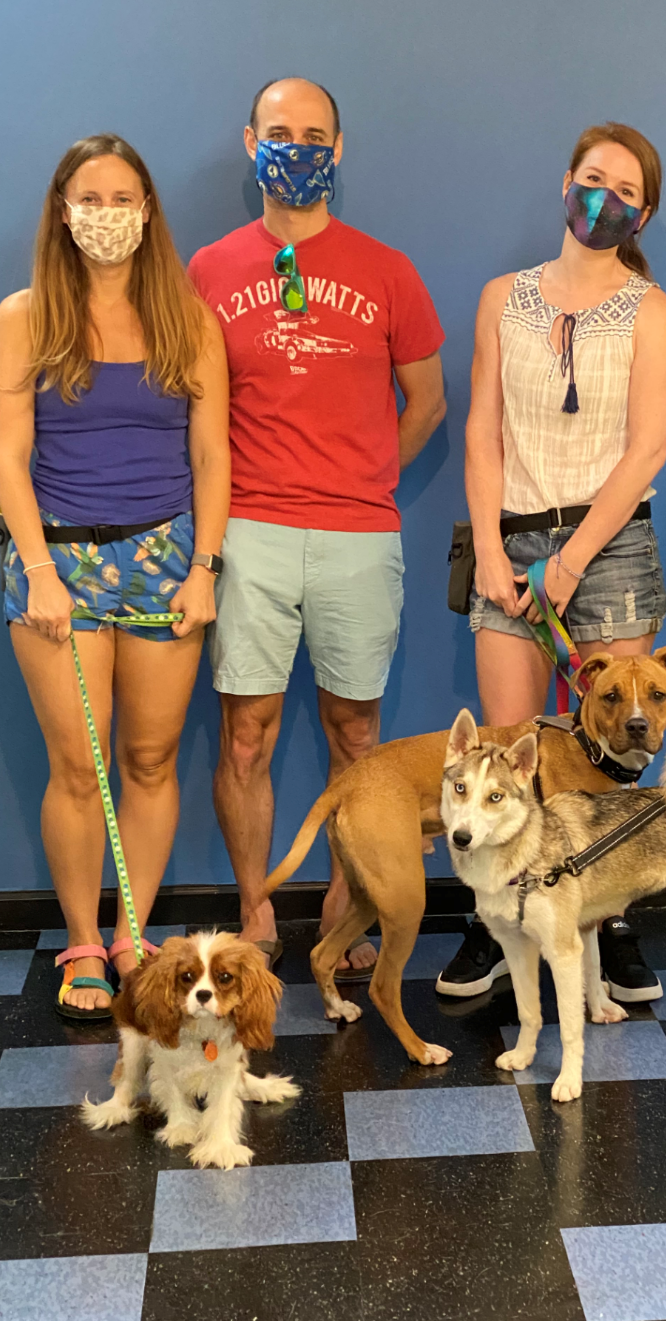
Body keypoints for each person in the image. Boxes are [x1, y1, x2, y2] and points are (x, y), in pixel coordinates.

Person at [188, 78, 446, 971]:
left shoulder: (387, 269)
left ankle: (349, 893)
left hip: (359, 535)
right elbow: (196, 413)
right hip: (250, 529)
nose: (295, 147)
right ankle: (254, 906)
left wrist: (368, 473)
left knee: (358, 734)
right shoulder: (209, 271)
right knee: (246, 730)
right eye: (278, 132)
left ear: (339, 148)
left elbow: (428, 400)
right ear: (250, 140)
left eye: (313, 134)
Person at [436, 122, 666, 1003]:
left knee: (614, 749)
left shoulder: (652, 311)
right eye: (591, 178)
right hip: (512, 543)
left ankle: (607, 918)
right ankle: (494, 922)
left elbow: (648, 448)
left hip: (609, 550)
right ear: (564, 181)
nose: (602, 199)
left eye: (624, 190)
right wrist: (494, 546)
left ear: (643, 212)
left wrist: (570, 563)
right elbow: (482, 430)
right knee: (507, 749)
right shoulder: (504, 297)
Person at [0, 134, 230, 1020]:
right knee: (76, 765)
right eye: (88, 197)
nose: (106, 214)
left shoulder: (186, 316)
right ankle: (84, 942)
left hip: (167, 561)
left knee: (148, 755)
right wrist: (37, 570)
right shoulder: (25, 316)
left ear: (148, 211)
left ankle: (134, 934)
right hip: (55, 561)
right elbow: (10, 455)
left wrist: (204, 567)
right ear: (62, 210)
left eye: (123, 197)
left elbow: (212, 455)